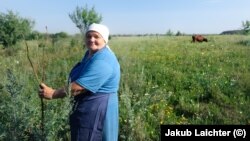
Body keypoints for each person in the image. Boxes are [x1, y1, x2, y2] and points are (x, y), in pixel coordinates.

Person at [38, 23, 120, 141]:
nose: (91, 39)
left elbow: (79, 87)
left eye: (96, 37)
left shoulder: (104, 60)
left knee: (95, 136)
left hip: (98, 109)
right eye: (88, 36)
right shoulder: (90, 54)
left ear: (104, 39)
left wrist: (53, 93)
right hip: (88, 107)